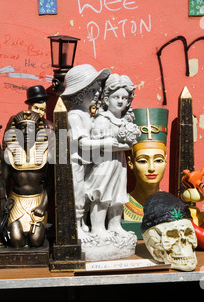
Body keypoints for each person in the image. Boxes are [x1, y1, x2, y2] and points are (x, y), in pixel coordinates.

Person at [85, 74, 141, 240]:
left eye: (124, 97)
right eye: (116, 97)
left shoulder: (125, 120)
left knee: (118, 196)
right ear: (107, 98)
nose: (120, 101)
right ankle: (97, 228)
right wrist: (122, 145)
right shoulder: (102, 120)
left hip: (119, 163)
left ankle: (115, 226)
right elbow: (97, 143)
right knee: (101, 195)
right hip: (104, 163)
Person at [60, 64, 112, 242]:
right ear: (81, 93)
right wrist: (105, 143)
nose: (97, 94)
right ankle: (76, 228)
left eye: (98, 90)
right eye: (92, 90)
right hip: (76, 162)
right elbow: (81, 142)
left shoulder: (85, 114)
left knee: (85, 192)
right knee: (77, 194)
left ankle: (82, 224)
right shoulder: (75, 116)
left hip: (85, 161)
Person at [2, 110, 52, 248]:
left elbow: (50, 184)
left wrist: (43, 206)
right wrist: (4, 205)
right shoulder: (8, 153)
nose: (26, 131)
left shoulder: (47, 153)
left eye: (30, 127)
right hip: (16, 201)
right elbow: (4, 183)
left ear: (37, 130)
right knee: (16, 241)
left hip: (38, 201)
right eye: (22, 127)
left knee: (36, 241)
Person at [122, 108, 169, 238]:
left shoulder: (171, 206)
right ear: (131, 163)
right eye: (143, 161)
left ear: (166, 161)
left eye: (158, 160)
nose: (152, 168)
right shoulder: (121, 205)